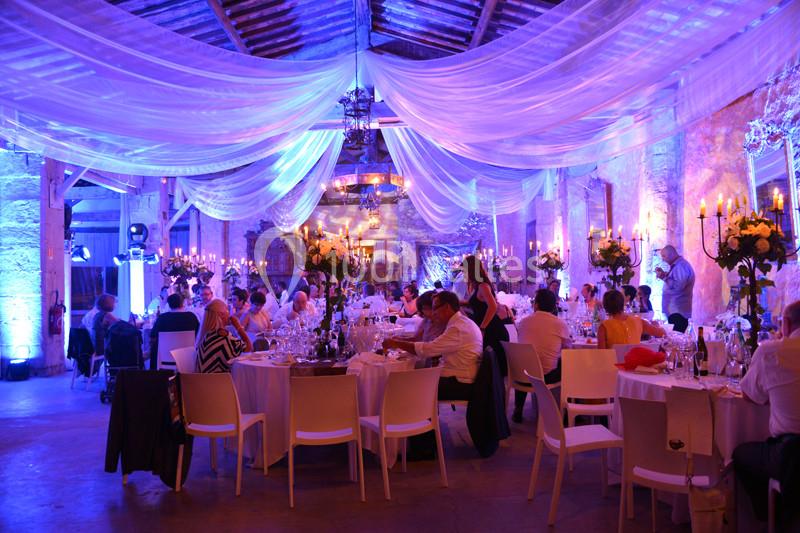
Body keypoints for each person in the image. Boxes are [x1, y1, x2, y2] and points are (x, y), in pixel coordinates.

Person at [734, 301, 800, 527]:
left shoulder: (772, 351)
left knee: (741, 454)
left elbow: (750, 396)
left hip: (792, 453)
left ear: (787, 323)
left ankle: (769, 518)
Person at [383, 291, 482, 400]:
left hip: (459, 383)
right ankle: (423, 415)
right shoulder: (460, 323)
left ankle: (414, 416)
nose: (433, 313)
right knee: (408, 378)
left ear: (447, 307)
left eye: (435, 308)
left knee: (402, 383)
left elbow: (427, 350)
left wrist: (396, 343)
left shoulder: (458, 328)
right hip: (458, 378)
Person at [514, 289, 572, 422]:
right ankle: (567, 411)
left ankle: (518, 408)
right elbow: (568, 349)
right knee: (569, 363)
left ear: (536, 304)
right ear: (553, 307)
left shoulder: (523, 322)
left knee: (527, 362)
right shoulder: (559, 324)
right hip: (546, 375)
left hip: (521, 374)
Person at [463, 255, 509, 375]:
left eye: (465, 271)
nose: (463, 273)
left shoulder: (483, 286)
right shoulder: (475, 286)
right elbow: (476, 304)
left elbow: (492, 306)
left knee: (494, 370)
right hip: (485, 327)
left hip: (492, 329)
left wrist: (482, 327)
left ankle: (498, 393)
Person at [196, 299, 252, 373]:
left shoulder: (206, 335)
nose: (229, 314)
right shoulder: (223, 335)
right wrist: (238, 326)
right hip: (219, 383)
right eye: (227, 310)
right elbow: (248, 347)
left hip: (202, 382)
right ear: (221, 315)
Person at [597, 290, 665, 349]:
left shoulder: (604, 327)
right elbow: (662, 334)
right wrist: (657, 325)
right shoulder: (639, 321)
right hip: (634, 363)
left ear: (605, 306)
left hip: (612, 363)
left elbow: (602, 355)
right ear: (622, 303)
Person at [148, 293, 200, 369]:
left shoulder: (162, 318)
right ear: (182, 303)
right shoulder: (191, 317)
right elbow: (198, 336)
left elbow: (153, 335)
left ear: (169, 305)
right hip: (188, 358)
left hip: (165, 357)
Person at [655, 245, 695, 332]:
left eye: (664, 256)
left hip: (678, 312)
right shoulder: (678, 266)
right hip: (675, 311)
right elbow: (675, 281)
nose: (663, 259)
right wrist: (665, 275)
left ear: (671, 255)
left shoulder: (681, 266)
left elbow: (678, 287)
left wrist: (664, 277)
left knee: (677, 340)